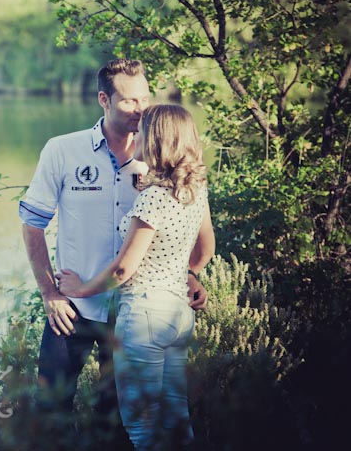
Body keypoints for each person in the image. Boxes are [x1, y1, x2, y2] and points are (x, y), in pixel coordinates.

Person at [19, 59, 208, 445]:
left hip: (130, 316)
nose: (141, 109)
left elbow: (179, 235)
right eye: (129, 101)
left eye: (144, 98)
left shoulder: (162, 163)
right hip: (72, 310)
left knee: (121, 425)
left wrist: (187, 274)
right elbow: (32, 222)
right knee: (50, 413)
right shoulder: (63, 150)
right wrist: (50, 293)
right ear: (104, 99)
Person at [56, 104, 216, 450]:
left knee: (142, 428)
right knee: (176, 421)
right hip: (178, 317)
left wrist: (80, 289)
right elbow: (204, 253)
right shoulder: (195, 190)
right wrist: (185, 274)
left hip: (144, 318)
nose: (135, 136)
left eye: (142, 131)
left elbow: (123, 269)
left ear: (156, 139)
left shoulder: (153, 200)